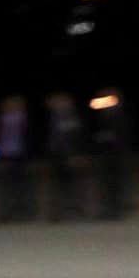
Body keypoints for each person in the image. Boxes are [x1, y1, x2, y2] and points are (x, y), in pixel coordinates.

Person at [43, 90, 86, 221]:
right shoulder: (51, 117)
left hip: (69, 155)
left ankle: (74, 210)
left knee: (72, 185)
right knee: (56, 186)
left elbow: (76, 137)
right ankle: (57, 212)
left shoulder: (72, 116)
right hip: (55, 155)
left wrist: (76, 155)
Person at [89, 85, 131, 219]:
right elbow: (92, 108)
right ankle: (105, 210)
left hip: (119, 154)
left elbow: (127, 131)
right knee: (103, 183)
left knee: (118, 183)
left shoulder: (123, 112)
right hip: (102, 154)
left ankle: (118, 210)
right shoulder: (99, 113)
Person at [0, 93, 34, 222]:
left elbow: (31, 138)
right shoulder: (1, 119)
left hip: (21, 154)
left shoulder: (25, 118)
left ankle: (23, 212)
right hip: (5, 154)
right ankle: (7, 213)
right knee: (5, 186)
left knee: (22, 185)